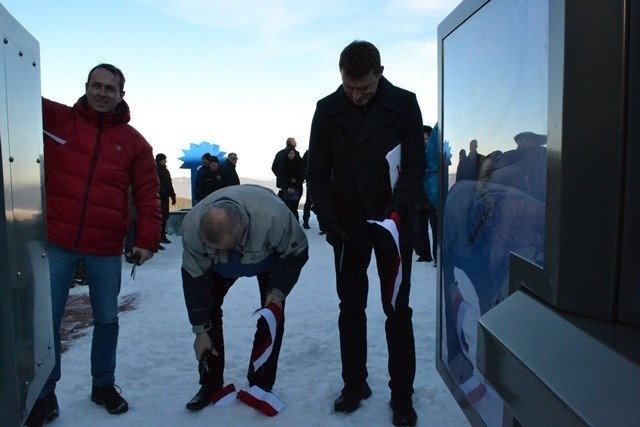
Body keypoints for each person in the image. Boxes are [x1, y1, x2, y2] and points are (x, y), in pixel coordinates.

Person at [26, 63, 161, 425]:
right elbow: (16, 92)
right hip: (56, 241)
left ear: (121, 95)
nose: (102, 93)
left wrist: (146, 239)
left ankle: (103, 384)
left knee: (106, 318)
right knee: (49, 320)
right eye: (96, 85)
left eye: (110, 89)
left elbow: (149, 195)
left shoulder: (134, 143)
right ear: (86, 86)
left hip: (103, 247)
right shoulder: (57, 118)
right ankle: (44, 394)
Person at [307, 40, 424, 427]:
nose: (356, 96)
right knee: (350, 309)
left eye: (365, 89)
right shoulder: (327, 109)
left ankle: (402, 396)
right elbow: (317, 173)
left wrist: (398, 209)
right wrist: (327, 218)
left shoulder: (405, 104)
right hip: (348, 225)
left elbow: (413, 168)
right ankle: (354, 384)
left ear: (380, 73)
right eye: (349, 88)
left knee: (397, 311)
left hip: (392, 224)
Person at [180, 185, 308, 414]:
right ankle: (209, 384)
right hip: (219, 270)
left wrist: (277, 292)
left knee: (272, 315)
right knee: (207, 313)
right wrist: (200, 331)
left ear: (241, 229)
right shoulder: (192, 227)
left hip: (268, 259)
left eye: (223, 248)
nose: (219, 253)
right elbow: (195, 282)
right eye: (214, 249)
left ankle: (261, 383)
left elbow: (296, 252)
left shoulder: (273, 216)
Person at [414, 125, 436, 263]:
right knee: (420, 228)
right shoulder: (415, 152)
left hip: (433, 197)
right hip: (418, 197)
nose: (424, 139)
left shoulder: (435, 153)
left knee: (436, 229)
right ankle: (424, 254)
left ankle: (438, 257)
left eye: (427, 136)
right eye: (422, 136)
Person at [276, 147, 305, 221]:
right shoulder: (284, 164)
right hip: (286, 189)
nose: (290, 155)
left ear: (295, 154)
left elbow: (302, 177)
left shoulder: (299, 163)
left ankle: (295, 225)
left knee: (294, 208)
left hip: (297, 188)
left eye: (292, 153)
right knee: (287, 208)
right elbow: (281, 177)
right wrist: (287, 187)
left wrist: (294, 188)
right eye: (289, 153)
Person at [156, 153, 177, 245]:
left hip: (165, 196)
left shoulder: (166, 171)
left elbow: (169, 184)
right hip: (158, 197)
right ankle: (158, 237)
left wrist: (173, 196)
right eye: (164, 159)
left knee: (165, 216)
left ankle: (162, 236)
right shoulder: (155, 170)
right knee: (160, 217)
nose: (165, 161)